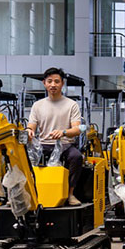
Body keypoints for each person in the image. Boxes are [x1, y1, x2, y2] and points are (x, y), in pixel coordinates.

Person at [27, 67, 83, 206]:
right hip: (44, 145)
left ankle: (70, 194)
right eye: (50, 81)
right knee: (23, 158)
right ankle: (27, 193)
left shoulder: (71, 105)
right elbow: (31, 126)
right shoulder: (37, 105)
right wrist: (29, 131)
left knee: (76, 157)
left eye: (57, 81)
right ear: (44, 83)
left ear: (62, 83)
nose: (53, 85)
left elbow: (77, 129)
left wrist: (63, 132)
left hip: (65, 145)